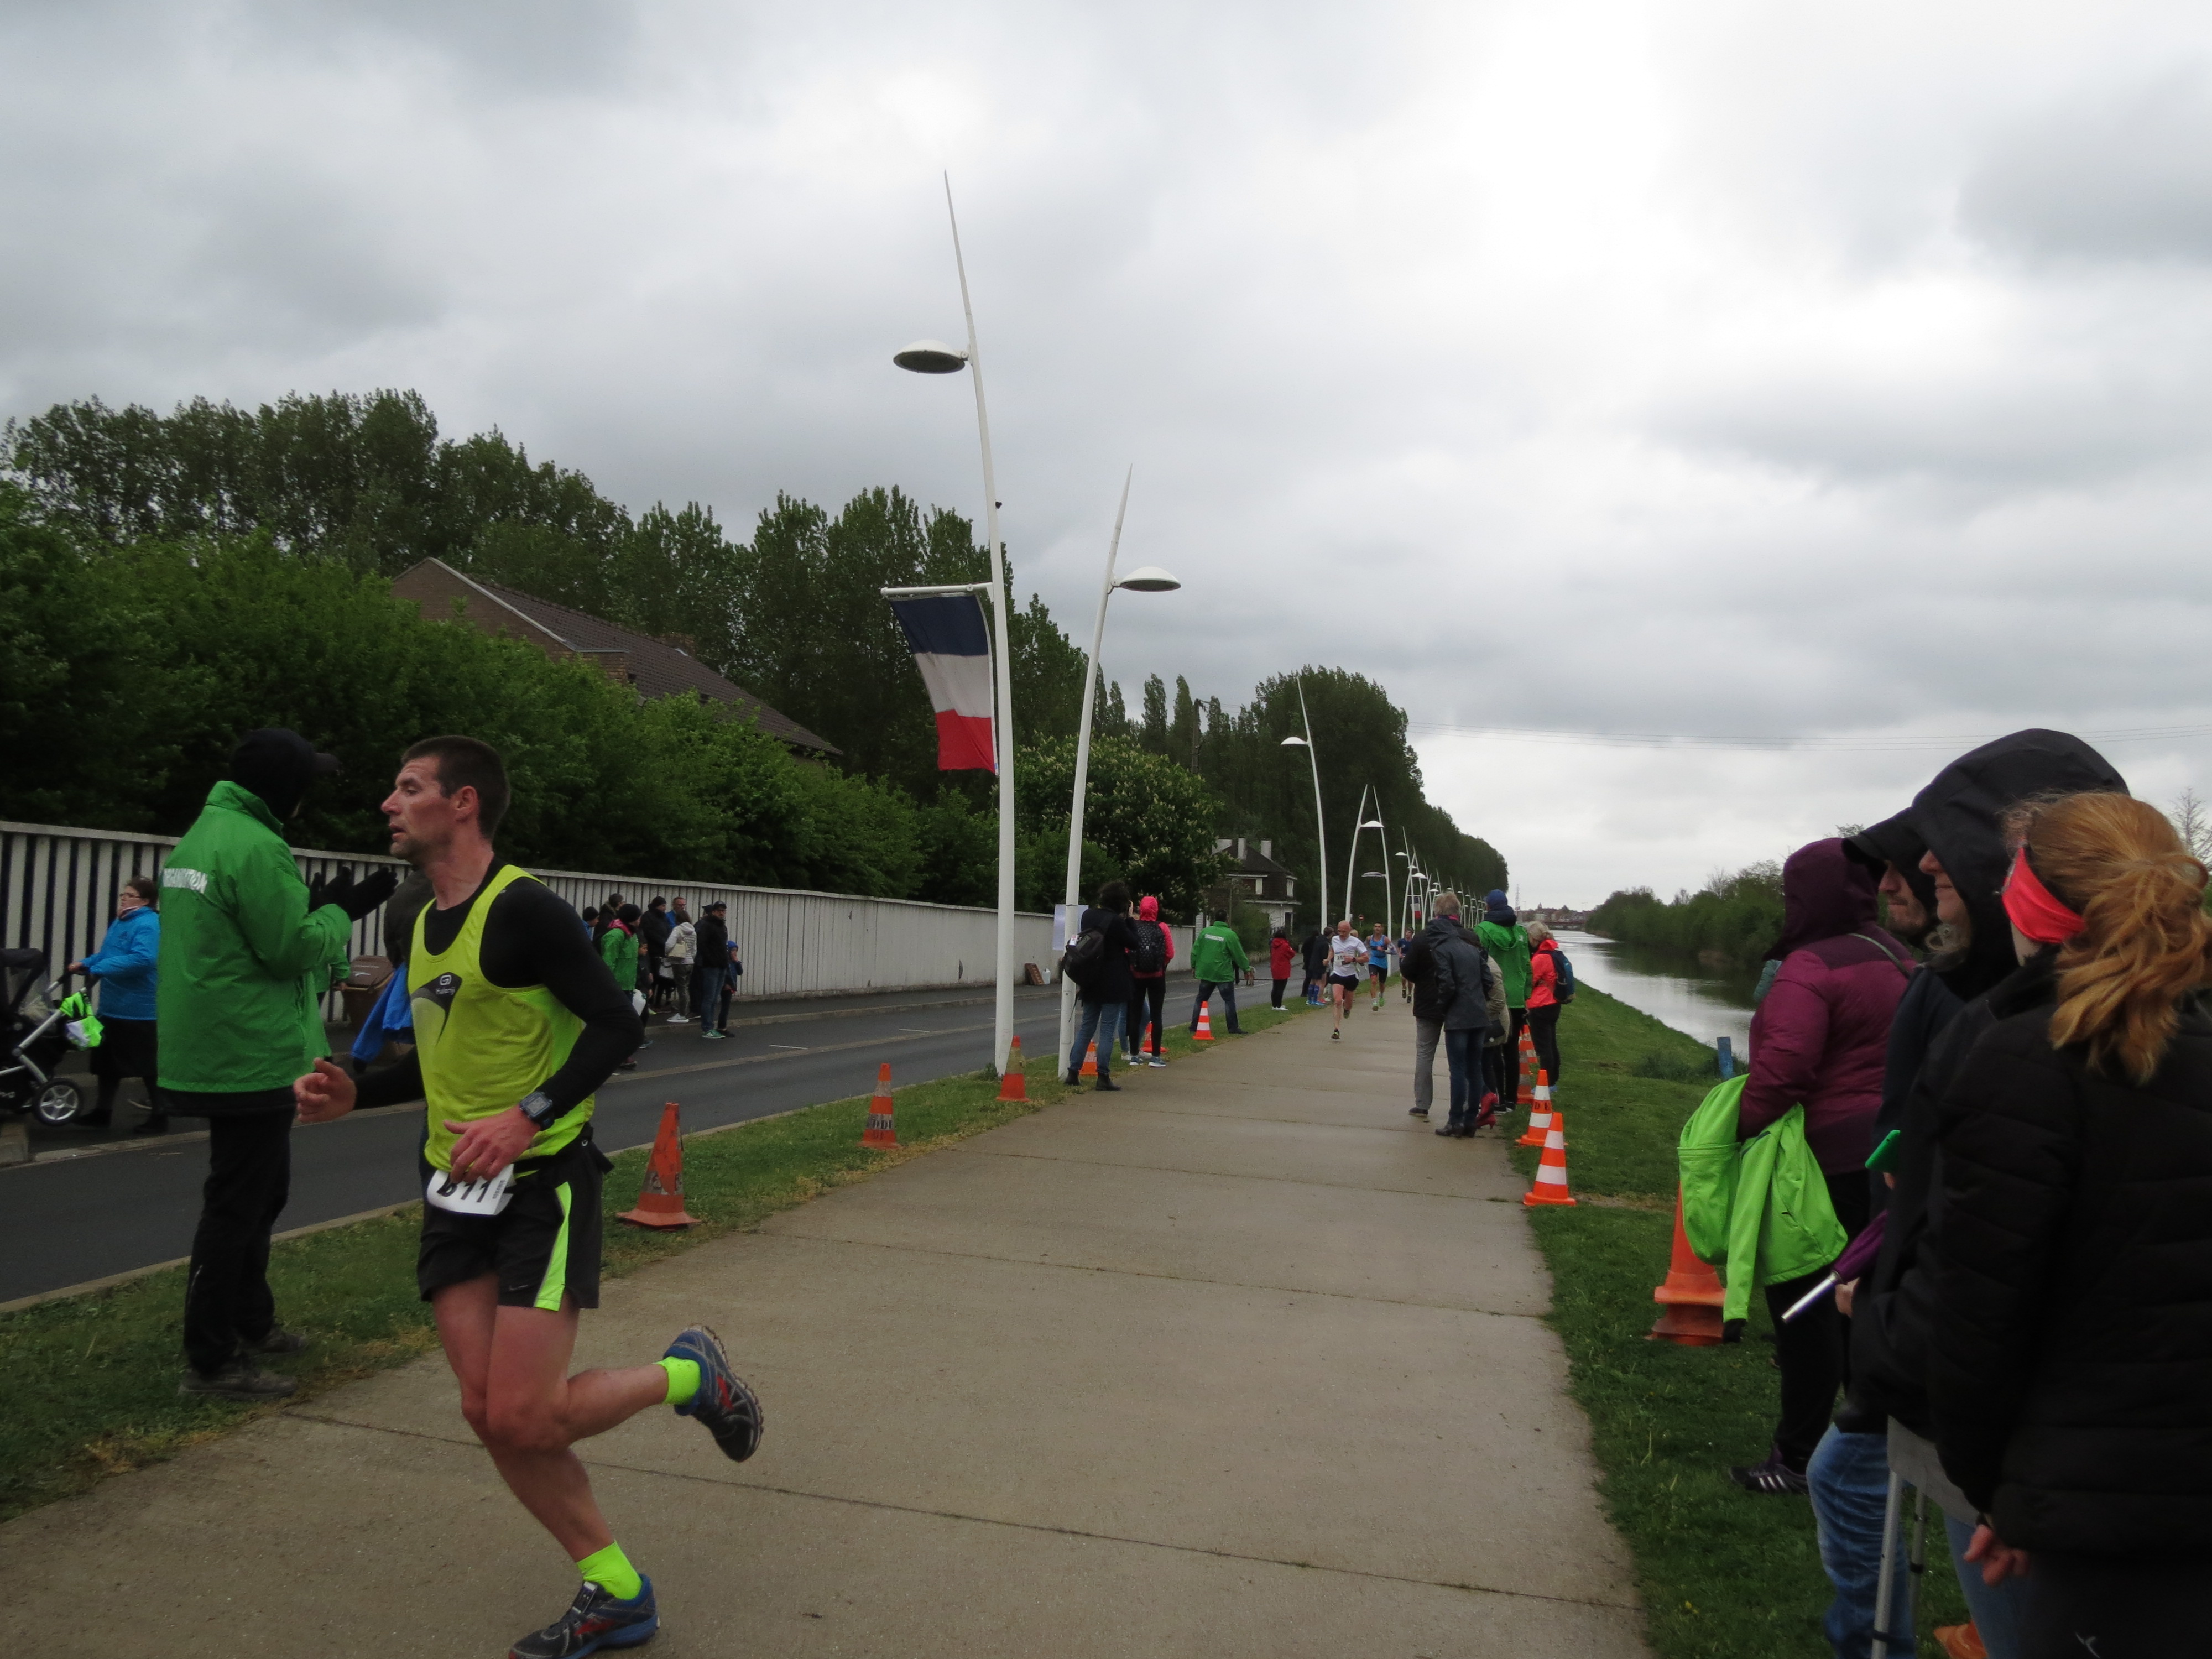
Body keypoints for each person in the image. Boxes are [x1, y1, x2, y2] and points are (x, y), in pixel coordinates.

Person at [294, 735, 759, 1658]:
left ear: (463, 802)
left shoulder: (525, 910)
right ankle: (617, 1592)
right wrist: (360, 1094)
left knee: (522, 1414)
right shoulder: (418, 921)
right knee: (489, 1413)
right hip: (452, 1188)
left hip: (542, 1186)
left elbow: (618, 1025)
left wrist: (527, 1115)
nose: (389, 803)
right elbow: (440, 1063)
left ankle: (690, 1376)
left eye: (409, 787)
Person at [1845, 731, 2126, 1653]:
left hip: (2038, 1461)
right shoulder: (2027, 1014)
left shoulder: (2024, 1046)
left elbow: (1981, 1284)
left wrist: (1877, 1322)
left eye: (1937, 850)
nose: (1917, 872)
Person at [1921, 792, 2211, 1656]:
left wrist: (2005, 1495)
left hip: (2100, 1521)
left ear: (2030, 908)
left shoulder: (2026, 1060)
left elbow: (1976, 1322)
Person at [159, 729, 397, 1398]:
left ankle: (251, 1321)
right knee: (237, 1206)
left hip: (216, 1042)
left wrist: (311, 907)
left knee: (262, 1193)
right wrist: (340, 911)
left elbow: (240, 936)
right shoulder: (259, 846)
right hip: (250, 1050)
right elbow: (290, 950)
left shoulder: (203, 836)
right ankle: (212, 1360)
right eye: (306, 782)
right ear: (285, 786)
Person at [1725, 840, 1913, 1496]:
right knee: (1864, 1304)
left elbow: (1784, 1070)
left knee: (1803, 1305)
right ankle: (1871, 1454)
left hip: (1822, 1162)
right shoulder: (1900, 958)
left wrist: (1736, 1128)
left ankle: (1797, 1457)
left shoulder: (1810, 965)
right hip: (1892, 1159)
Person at [66, 875, 168, 1134]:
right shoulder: (122, 921)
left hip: (139, 1009)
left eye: (129, 895)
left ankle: (160, 1114)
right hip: (113, 1006)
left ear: (145, 901)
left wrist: (101, 967)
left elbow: (144, 960)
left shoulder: (149, 924)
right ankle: (102, 1112)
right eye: (123, 895)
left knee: (148, 1066)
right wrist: (87, 963)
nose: (123, 899)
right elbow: (109, 954)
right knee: (107, 1065)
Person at [1400, 893, 1504, 1128]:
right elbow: (1484, 972)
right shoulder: (1470, 937)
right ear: (1458, 912)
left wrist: (1425, 982)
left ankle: (1422, 1104)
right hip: (1464, 1005)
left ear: (1437, 912)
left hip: (1429, 1004)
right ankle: (1468, 1106)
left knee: (1425, 1053)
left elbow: (1408, 969)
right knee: (1463, 1062)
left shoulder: (1424, 937)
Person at [1066, 880, 1136, 1091]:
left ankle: (1073, 1072)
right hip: (1113, 981)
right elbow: (1134, 942)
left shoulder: (1088, 916)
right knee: (1107, 1030)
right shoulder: (1116, 922)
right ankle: (1103, 1076)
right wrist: (1130, 918)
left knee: (1087, 1027)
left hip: (1091, 978)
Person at [1474, 892, 1532, 1105]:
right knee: (1512, 1049)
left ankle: (1495, 1098)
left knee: (1492, 1049)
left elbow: (1479, 962)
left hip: (1494, 996)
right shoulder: (1521, 932)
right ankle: (1511, 1099)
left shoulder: (1483, 930)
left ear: (1489, 907)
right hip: (1516, 998)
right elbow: (1527, 965)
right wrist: (1526, 995)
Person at [1125, 896, 1175, 1066]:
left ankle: (1133, 1055)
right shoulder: (1162, 927)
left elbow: (1127, 950)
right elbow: (1170, 953)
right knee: (1156, 1016)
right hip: (1157, 976)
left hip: (1136, 976)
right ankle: (1155, 1056)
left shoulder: (1134, 927)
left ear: (1141, 908)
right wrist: (1161, 964)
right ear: (1156, 909)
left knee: (1135, 1015)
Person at [1188, 912, 1250, 1036]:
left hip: (1206, 971)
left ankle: (1194, 1026)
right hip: (1223, 973)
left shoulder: (1205, 932)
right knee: (1229, 1000)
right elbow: (1238, 954)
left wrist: (1194, 965)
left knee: (1201, 999)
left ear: (1215, 919)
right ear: (1227, 919)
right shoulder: (1230, 935)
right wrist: (1246, 969)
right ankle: (1233, 1027)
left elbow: (1196, 950)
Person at [1525, 924, 1567, 1086]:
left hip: (1540, 1005)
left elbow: (1530, 980)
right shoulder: (1554, 953)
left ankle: (1546, 1083)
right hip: (1554, 1003)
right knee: (1551, 1043)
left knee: (1543, 1047)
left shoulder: (1541, 958)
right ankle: (1553, 1080)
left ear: (1533, 938)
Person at [693, 901, 729, 1039]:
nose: (721, 913)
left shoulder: (722, 926)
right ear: (713, 912)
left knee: (715, 998)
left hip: (721, 965)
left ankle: (711, 1026)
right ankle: (707, 1028)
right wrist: (711, 960)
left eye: (723, 911)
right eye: (719, 910)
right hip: (711, 966)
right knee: (709, 997)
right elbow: (702, 945)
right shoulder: (707, 925)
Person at [1324, 919, 1365, 1039]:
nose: (1341, 934)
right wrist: (1328, 959)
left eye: (1344, 932)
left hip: (1351, 976)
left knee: (1348, 1005)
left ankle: (1347, 1010)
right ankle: (1336, 1029)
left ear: (1349, 931)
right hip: (1337, 974)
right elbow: (1333, 950)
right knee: (1338, 1001)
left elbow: (1366, 957)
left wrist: (1353, 959)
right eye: (1339, 931)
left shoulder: (1356, 942)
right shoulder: (1335, 939)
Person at [662, 908, 696, 1024]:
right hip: (690, 962)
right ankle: (685, 1011)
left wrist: (667, 953)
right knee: (686, 987)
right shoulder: (693, 932)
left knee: (682, 988)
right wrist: (690, 958)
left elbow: (669, 944)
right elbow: (694, 950)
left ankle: (682, 1014)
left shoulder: (677, 929)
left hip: (679, 962)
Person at [1267, 926, 1296, 1010]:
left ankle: (1274, 1005)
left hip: (1275, 966)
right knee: (1281, 988)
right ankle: (1279, 1005)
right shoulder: (1285, 945)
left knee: (1275, 987)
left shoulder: (1273, 945)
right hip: (1283, 967)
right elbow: (1292, 954)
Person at [1366, 924, 1392, 1011]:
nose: (1377, 928)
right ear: (1374, 928)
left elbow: (1394, 951)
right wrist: (1364, 955)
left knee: (1382, 983)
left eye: (1379, 927)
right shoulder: (1369, 938)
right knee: (1373, 981)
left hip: (1383, 962)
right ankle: (1374, 1002)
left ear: (1382, 929)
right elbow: (1364, 947)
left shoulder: (1385, 939)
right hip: (1373, 961)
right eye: (1376, 927)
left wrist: (1384, 950)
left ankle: (1381, 995)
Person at [1300, 927, 1327, 1005]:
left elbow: (1303, 950)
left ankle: (1309, 998)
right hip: (1316, 963)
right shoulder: (1319, 942)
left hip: (1309, 962)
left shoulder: (1308, 940)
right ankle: (1315, 999)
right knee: (1318, 981)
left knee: (1311, 979)